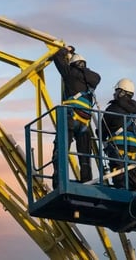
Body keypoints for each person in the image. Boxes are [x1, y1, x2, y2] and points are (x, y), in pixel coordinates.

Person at [51, 45, 101, 189]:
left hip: (71, 117)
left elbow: (57, 58)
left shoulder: (70, 72)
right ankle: (87, 182)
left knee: (61, 147)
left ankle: (58, 180)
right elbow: (97, 77)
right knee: (85, 155)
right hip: (85, 121)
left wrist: (66, 49)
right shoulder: (92, 78)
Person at [101, 78, 136, 191]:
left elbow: (102, 131)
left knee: (118, 172)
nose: (114, 94)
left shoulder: (112, 108)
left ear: (121, 92)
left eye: (116, 91)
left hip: (117, 146)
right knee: (133, 171)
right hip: (134, 146)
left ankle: (122, 191)